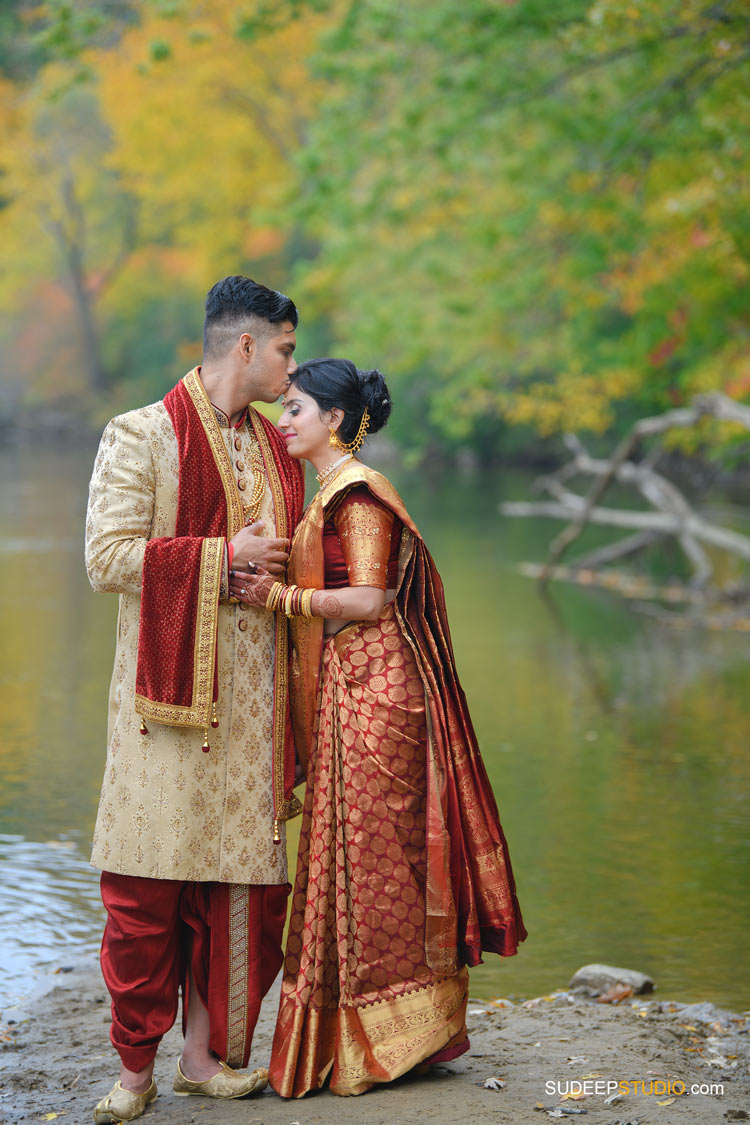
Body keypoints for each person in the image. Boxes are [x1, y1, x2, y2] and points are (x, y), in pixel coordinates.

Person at [228, 357, 527, 1098]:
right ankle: (379, 1032)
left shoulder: (358, 495)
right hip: (349, 683)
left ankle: (396, 1037)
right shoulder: (325, 491)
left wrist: (279, 599)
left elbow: (368, 597)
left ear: (333, 419)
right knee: (357, 858)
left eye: (295, 408)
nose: (284, 419)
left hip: (379, 689)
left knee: (378, 860)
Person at [85, 276, 306, 1123]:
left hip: (255, 707)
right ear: (245, 346)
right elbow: (106, 557)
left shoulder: (280, 445)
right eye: (285, 348)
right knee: (145, 895)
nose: (293, 366)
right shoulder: (140, 433)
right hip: (163, 712)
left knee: (235, 893)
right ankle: (134, 1074)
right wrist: (220, 557)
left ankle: (204, 1060)